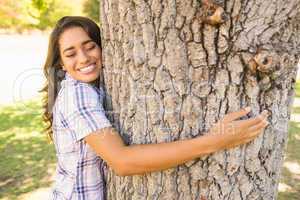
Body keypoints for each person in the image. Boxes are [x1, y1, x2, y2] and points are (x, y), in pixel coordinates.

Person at [41, 16, 269, 200]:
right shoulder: (77, 93)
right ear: (61, 62)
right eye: (70, 53)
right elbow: (122, 161)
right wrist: (216, 141)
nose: (83, 58)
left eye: (90, 47)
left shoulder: (92, 87)